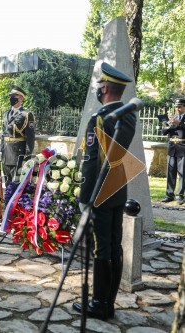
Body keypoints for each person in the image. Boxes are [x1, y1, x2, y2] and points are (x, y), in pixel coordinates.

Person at [73, 62, 136, 320]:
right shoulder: (128, 114)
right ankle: (109, 302)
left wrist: (84, 196)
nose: (98, 90)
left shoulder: (100, 118)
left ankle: (99, 304)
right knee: (114, 244)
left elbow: (92, 161)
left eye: (100, 86)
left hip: (100, 189)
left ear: (106, 88)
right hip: (119, 186)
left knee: (101, 247)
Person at [0, 85, 35, 186]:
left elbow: (30, 138)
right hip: (6, 154)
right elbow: (3, 134)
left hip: (18, 154)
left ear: (21, 98)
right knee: (7, 184)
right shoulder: (6, 114)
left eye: (14, 96)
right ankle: (7, 202)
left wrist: (27, 157)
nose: (11, 98)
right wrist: (0, 151)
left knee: (17, 184)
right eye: (11, 96)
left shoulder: (27, 114)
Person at [161, 98, 185, 205]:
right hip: (172, 147)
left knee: (182, 173)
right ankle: (169, 194)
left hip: (183, 147)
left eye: (179, 106)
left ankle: (180, 195)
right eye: (176, 106)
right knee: (170, 172)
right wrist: (167, 124)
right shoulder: (172, 117)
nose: (177, 109)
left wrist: (179, 123)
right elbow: (163, 132)